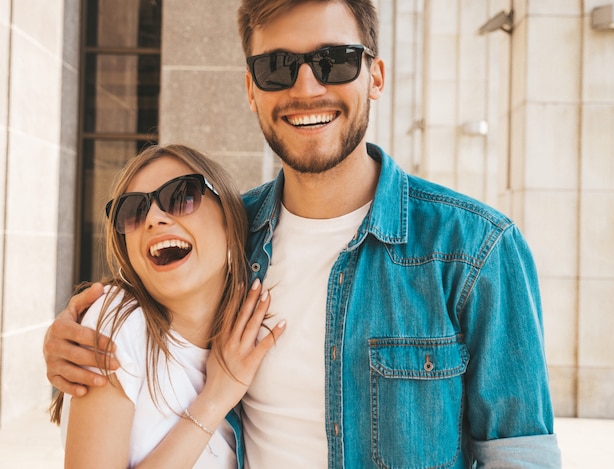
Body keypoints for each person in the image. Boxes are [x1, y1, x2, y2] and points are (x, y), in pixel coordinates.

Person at [44, 1, 561, 467]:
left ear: (375, 76)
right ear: (251, 89)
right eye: (277, 68)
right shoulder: (226, 237)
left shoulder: (476, 249)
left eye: (334, 60)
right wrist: (66, 342)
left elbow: (521, 456)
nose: (306, 88)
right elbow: (146, 319)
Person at [48, 144, 285, 468]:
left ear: (230, 223)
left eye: (182, 196)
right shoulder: (118, 326)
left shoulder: (242, 343)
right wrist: (216, 399)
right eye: (132, 210)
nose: (154, 218)